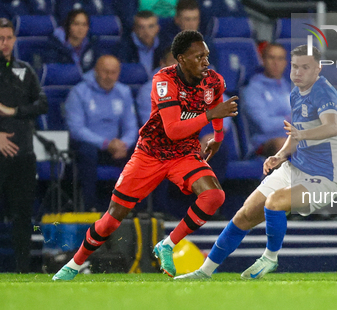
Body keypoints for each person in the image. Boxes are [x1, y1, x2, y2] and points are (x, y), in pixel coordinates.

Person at [53, 30, 239, 280]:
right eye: (198, 57)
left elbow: (218, 106)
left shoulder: (213, 80)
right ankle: (73, 265)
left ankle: (167, 244)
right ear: (181, 59)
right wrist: (210, 115)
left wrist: (217, 137)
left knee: (214, 196)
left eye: (206, 56)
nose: (206, 62)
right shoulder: (164, 80)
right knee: (112, 218)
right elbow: (173, 130)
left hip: (183, 154)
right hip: (150, 153)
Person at [175, 45, 337, 280]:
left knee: (275, 201)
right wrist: (280, 155)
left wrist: (301, 135)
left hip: (325, 175)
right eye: (296, 66)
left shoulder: (324, 93)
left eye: (306, 67)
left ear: (318, 68)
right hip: (295, 166)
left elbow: (330, 127)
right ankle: (204, 272)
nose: (299, 72)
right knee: (244, 215)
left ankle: (270, 258)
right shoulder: (297, 93)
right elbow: (295, 131)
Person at [0, 18, 47, 273]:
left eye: (8, 38)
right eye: (0, 38)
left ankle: (22, 270)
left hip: (23, 153)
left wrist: (14, 110)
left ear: (14, 40)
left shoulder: (25, 70)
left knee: (23, 215)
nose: (4, 43)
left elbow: (42, 104)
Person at [65, 55, 138, 211]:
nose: (109, 77)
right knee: (87, 152)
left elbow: (131, 127)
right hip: (90, 146)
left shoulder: (123, 92)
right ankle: (89, 207)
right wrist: (106, 143)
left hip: (116, 148)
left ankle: (133, 209)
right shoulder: (79, 92)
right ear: (95, 71)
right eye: (105, 72)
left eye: (113, 72)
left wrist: (123, 144)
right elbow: (76, 129)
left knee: (142, 152)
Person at [242, 43, 291, 157]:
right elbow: (265, 125)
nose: (276, 63)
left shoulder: (290, 88)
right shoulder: (253, 89)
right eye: (271, 58)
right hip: (265, 142)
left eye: (280, 59)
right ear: (263, 60)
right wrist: (292, 118)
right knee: (284, 144)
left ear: (285, 63)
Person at [117, 11, 168, 76]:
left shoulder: (166, 45)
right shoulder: (123, 47)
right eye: (141, 27)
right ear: (134, 29)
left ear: (157, 28)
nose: (146, 31)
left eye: (151, 26)